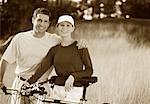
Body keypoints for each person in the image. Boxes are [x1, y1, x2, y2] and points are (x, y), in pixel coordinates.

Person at [26, 15, 93, 103]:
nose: (64, 28)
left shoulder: (80, 47)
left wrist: (73, 76)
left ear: (73, 28)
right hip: (57, 88)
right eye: (62, 25)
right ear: (57, 27)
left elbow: (89, 70)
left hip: (74, 89)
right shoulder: (54, 50)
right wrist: (28, 82)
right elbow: (42, 68)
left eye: (68, 25)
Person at [0, 7, 61, 104]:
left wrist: (81, 45)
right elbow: (5, 60)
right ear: (33, 20)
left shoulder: (55, 40)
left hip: (41, 86)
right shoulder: (20, 38)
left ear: (49, 24)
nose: (42, 24)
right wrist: (0, 81)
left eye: (45, 21)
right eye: (39, 20)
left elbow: (70, 44)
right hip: (21, 84)